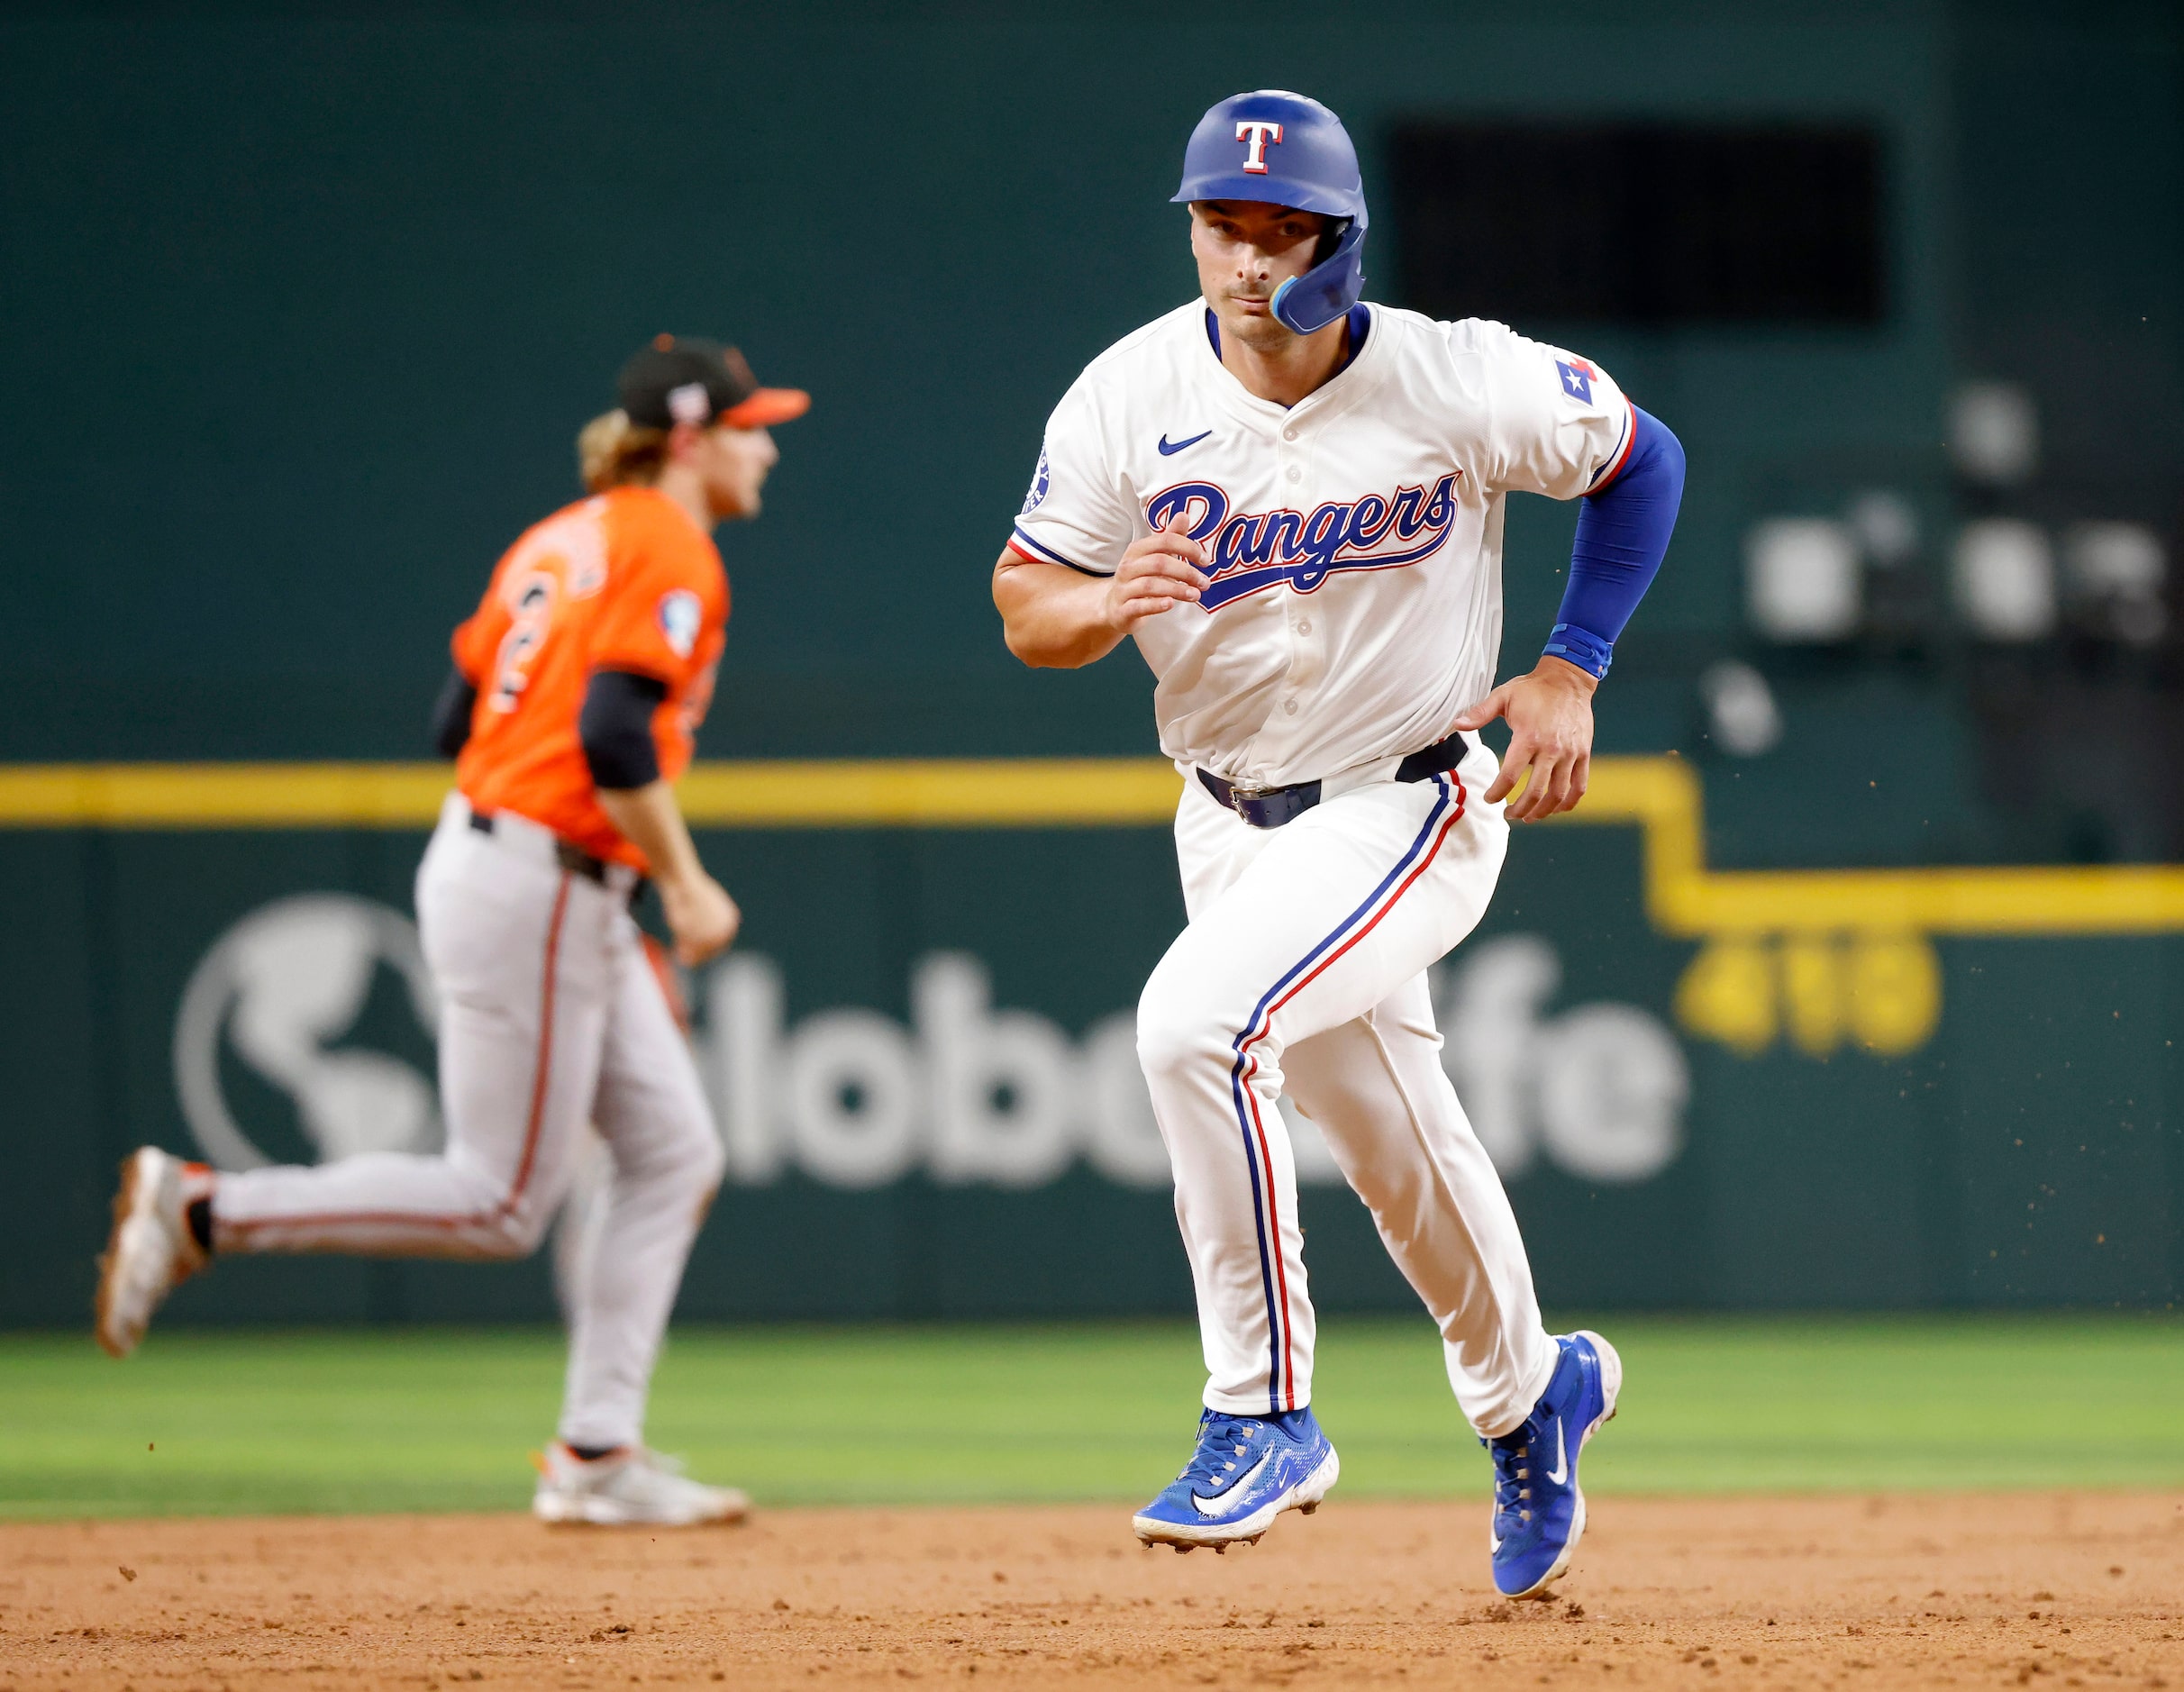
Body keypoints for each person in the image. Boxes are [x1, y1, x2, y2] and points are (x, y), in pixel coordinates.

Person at [993, 92, 1684, 1596]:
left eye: (1279, 226)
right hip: (1227, 816)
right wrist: (1104, 604)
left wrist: (1572, 663)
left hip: (1409, 794)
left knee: (1193, 1023)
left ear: (1339, 239)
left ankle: (1262, 1410)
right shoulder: (1125, 394)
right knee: (1394, 1147)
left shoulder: (1451, 375)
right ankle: (1531, 1391)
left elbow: (1644, 457)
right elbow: (1022, 600)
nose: (1246, 257)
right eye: (1220, 224)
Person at [95, 335, 809, 1528]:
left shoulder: (557, 535)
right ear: (689, 439)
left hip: (531, 865)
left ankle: (595, 1456)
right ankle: (205, 1209)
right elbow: (616, 736)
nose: (769, 445)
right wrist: (685, 883)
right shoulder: (667, 541)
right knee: (498, 1201)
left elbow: (453, 716)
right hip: (540, 876)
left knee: (676, 1151)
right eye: (750, 425)